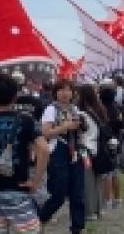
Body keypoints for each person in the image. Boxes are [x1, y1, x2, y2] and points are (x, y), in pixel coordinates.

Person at [0, 73, 48, 234]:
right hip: (18, 190)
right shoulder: (25, 120)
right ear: (15, 96)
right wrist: (35, 181)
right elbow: (44, 150)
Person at [39, 79, 85, 234]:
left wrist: (81, 126)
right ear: (55, 92)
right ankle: (40, 218)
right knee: (59, 192)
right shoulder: (51, 109)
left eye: (68, 90)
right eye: (61, 90)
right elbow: (45, 132)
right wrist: (65, 126)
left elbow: (81, 128)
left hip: (75, 151)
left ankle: (77, 228)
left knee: (77, 192)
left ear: (73, 93)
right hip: (58, 150)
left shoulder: (75, 109)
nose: (65, 93)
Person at [76, 84, 109, 220]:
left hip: (85, 149)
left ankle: (90, 211)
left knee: (87, 180)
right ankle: (100, 208)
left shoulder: (80, 113)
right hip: (99, 148)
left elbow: (80, 132)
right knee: (98, 179)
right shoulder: (100, 110)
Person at [100, 85, 124, 209]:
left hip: (106, 142)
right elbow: (121, 125)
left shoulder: (102, 110)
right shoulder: (117, 109)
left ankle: (107, 200)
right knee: (115, 172)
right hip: (117, 141)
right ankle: (118, 199)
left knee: (107, 173)